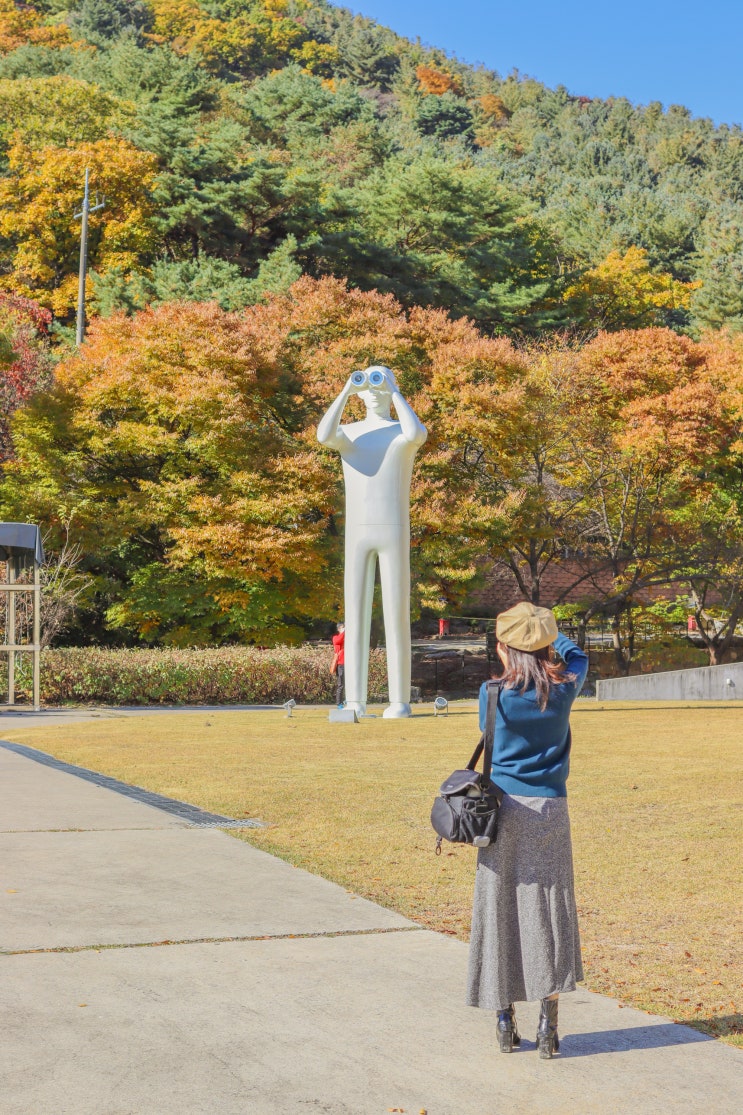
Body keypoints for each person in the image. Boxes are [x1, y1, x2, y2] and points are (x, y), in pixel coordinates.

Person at [467, 601, 589, 1059]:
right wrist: (549, 635)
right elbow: (578, 657)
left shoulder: (491, 692)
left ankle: (503, 1021)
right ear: (542, 647)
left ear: (503, 649)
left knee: (498, 908)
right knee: (550, 910)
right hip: (551, 810)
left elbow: (491, 739)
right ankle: (549, 1026)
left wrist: (530, 642)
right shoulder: (564, 688)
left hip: (503, 811)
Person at [316, 366, 427, 718]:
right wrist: (347, 390)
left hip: (392, 529)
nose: (374, 387)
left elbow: (417, 433)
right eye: (370, 381)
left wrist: (394, 392)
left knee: (396, 616)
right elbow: (323, 435)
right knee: (356, 615)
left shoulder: (400, 432)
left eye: (382, 380)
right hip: (358, 533)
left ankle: (398, 702)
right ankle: (355, 701)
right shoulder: (349, 433)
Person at [332, 622, 345, 708]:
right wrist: (344, 632)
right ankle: (339, 703)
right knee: (341, 684)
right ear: (339, 628)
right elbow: (338, 640)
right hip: (341, 663)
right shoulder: (336, 637)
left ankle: (345, 700)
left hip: (347, 663)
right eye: (343, 627)